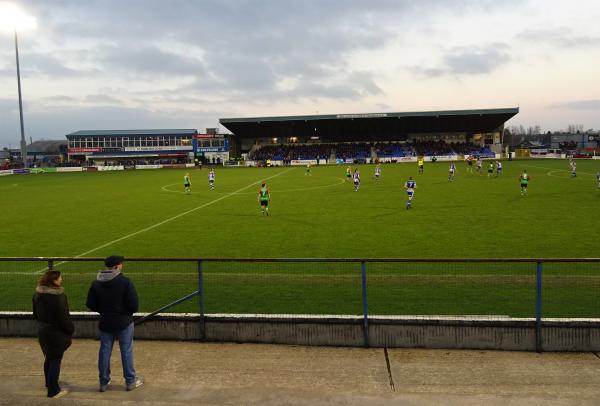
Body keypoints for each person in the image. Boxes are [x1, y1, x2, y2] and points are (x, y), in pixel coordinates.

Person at [86, 256, 142, 392]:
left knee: (105, 350)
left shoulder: (96, 283)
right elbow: (134, 305)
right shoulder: (125, 282)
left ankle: (103, 382)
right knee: (126, 350)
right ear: (117, 266)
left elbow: (91, 304)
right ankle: (130, 381)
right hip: (124, 321)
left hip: (105, 321)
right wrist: (124, 312)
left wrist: (103, 311)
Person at [33, 270, 74, 399]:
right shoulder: (58, 298)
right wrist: (70, 330)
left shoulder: (37, 295)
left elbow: (35, 315)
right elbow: (64, 318)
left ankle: (49, 383)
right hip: (56, 334)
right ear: (54, 281)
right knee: (55, 360)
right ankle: (53, 390)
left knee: (49, 358)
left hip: (43, 332)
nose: (61, 279)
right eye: (59, 278)